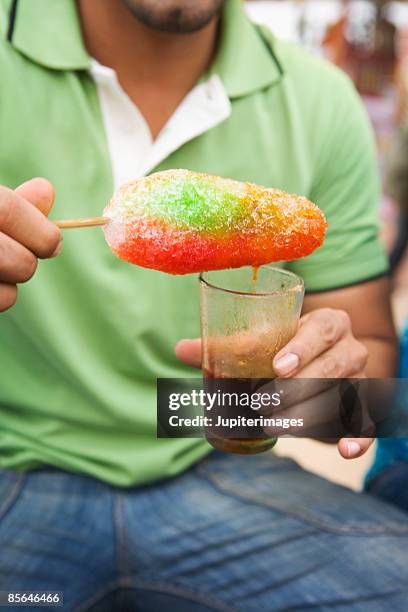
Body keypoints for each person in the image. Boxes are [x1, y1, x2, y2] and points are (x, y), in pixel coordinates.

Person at [0, 0, 407, 609]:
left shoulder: (320, 98)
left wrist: (314, 393)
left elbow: (368, 360)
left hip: (213, 459)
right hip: (15, 465)